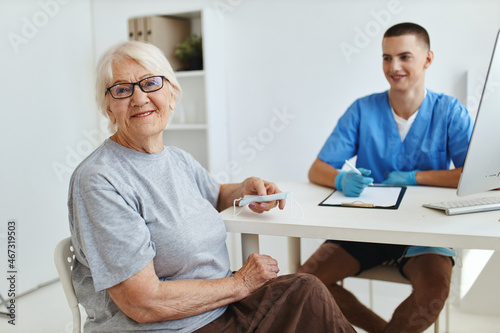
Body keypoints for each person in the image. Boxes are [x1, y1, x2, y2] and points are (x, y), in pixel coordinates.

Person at [68, 40, 356, 333]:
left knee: (306, 290)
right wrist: (239, 283)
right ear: (107, 107)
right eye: (121, 89)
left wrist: (244, 189)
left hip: (219, 308)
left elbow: (215, 194)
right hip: (173, 327)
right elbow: (142, 302)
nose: (139, 98)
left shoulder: (177, 159)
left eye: (150, 83)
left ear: (172, 94)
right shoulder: (99, 180)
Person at [298, 23, 474, 333]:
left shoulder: (450, 112)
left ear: (428, 59)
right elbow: (317, 169)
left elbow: (471, 176)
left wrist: (416, 177)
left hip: (425, 231)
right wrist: (340, 179)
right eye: (386, 57)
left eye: (405, 56)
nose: (394, 67)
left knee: (433, 293)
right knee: (307, 280)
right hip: (368, 227)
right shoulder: (363, 109)